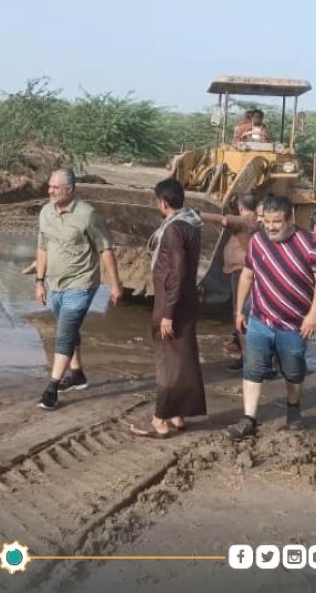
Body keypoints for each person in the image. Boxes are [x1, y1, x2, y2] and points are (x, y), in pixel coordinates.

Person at [226, 195, 316, 438]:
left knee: (293, 371)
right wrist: (239, 310)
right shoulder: (257, 242)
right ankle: (248, 419)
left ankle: (293, 409)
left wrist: (313, 315)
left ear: (290, 218)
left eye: (277, 222)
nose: (271, 227)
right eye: (267, 222)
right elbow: (247, 275)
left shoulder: (310, 243)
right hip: (260, 319)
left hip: (294, 324)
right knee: (252, 369)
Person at [34, 167, 124, 411]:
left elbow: (105, 248)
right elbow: (42, 247)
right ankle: (77, 374)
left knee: (64, 332)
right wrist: (39, 281)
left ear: (70, 190)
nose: (49, 191)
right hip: (55, 284)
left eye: (55, 187)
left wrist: (115, 284)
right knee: (68, 327)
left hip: (82, 283)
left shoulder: (87, 215)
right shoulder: (45, 213)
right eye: (49, 186)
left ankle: (51, 389)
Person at [128, 178, 207, 438]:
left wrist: (167, 314)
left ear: (163, 202)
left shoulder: (173, 230)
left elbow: (177, 272)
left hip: (171, 303)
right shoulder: (192, 224)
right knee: (183, 358)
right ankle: (178, 414)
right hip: (186, 301)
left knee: (168, 362)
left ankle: (159, 419)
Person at [198, 193, 259, 359]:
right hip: (239, 270)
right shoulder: (252, 220)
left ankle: (247, 357)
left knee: (240, 311)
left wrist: (198, 214)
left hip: (242, 271)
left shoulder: (248, 219)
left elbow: (223, 220)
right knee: (241, 310)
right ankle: (241, 348)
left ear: (240, 207)